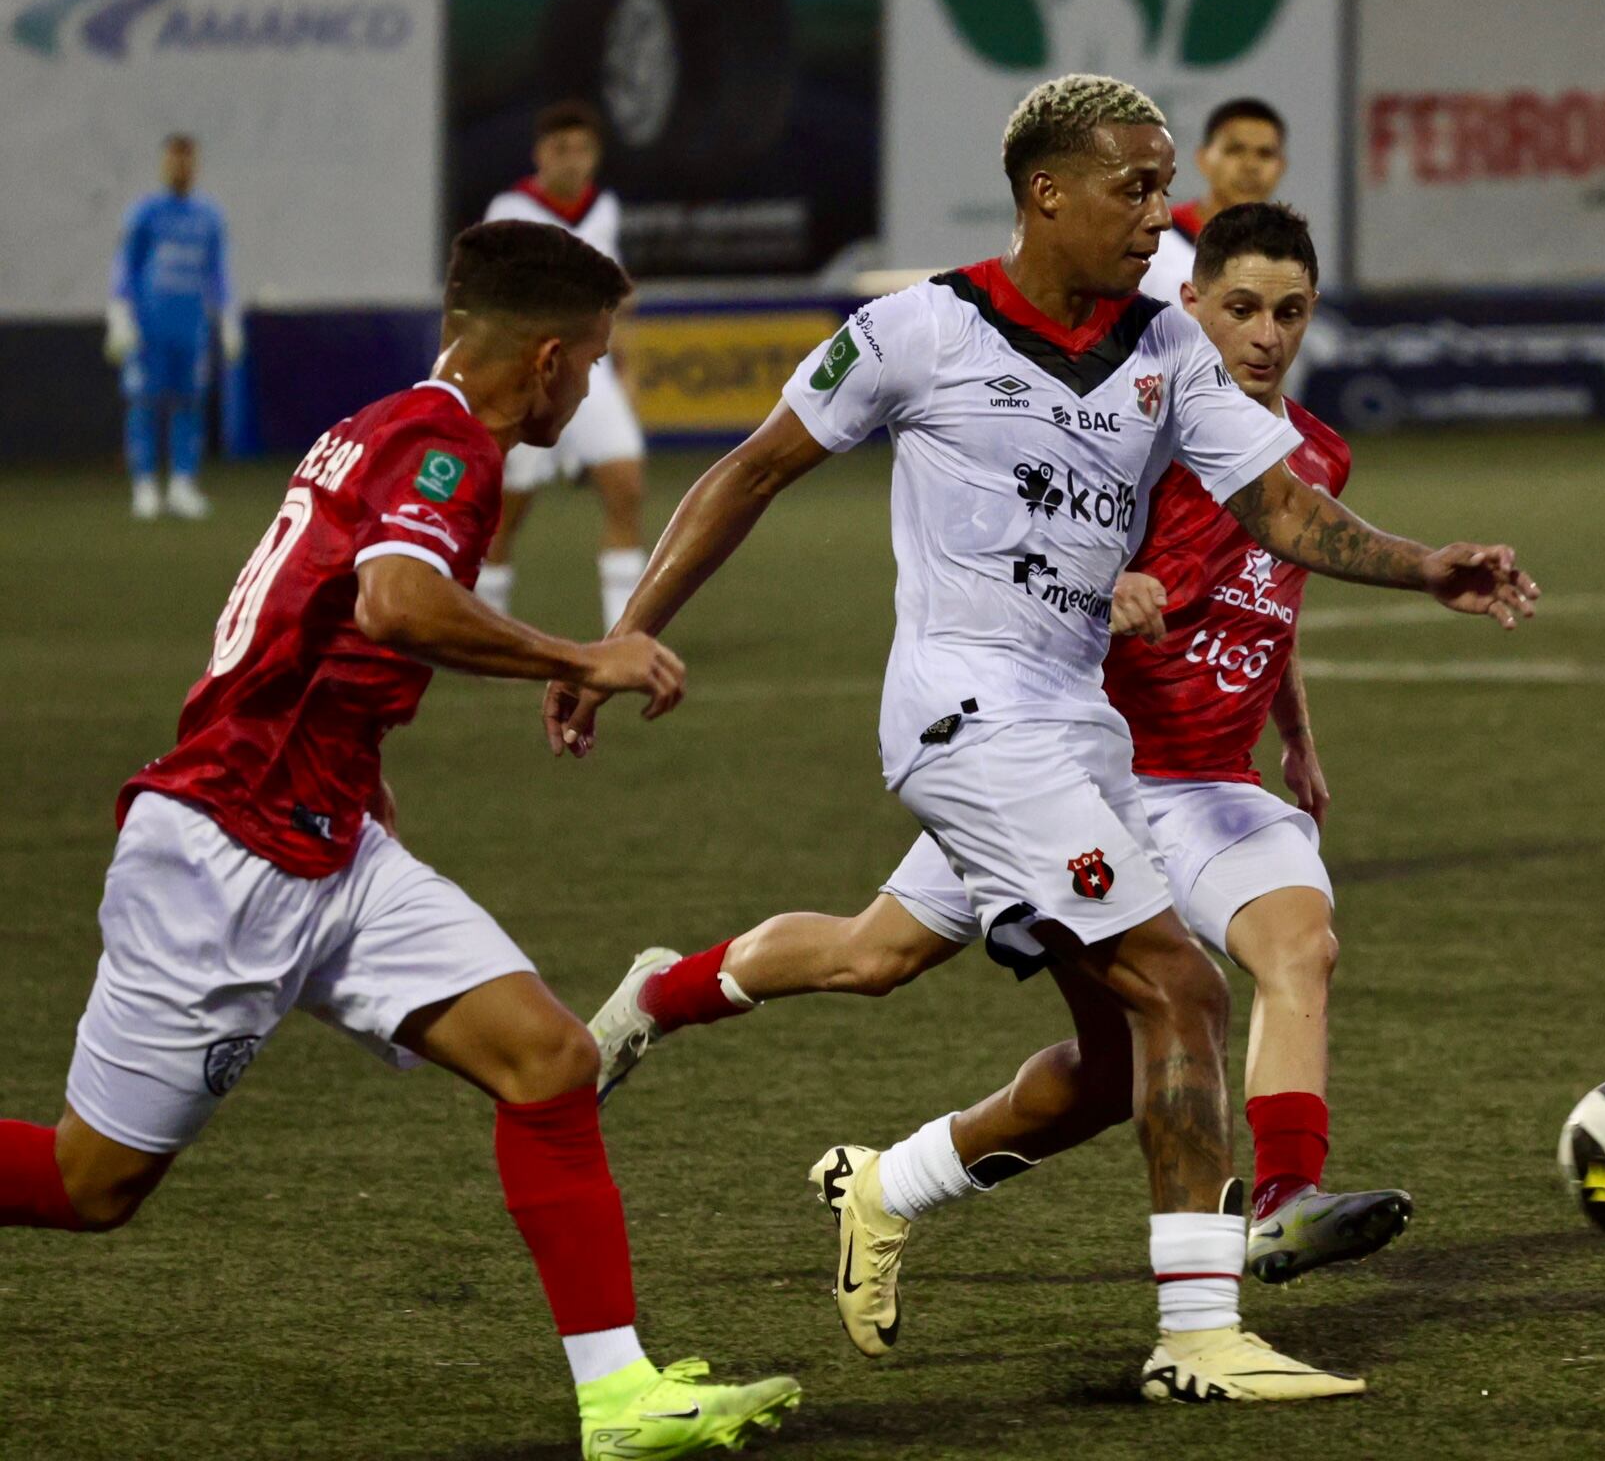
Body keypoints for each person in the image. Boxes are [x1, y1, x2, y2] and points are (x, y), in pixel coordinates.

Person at [545, 75, 1538, 1403]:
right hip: (965, 715)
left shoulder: (1166, 351)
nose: (1157, 211)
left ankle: (847, 1153)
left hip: (1080, 732)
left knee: (1068, 1033)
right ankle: (1196, 1336)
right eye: (1134, 185)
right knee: (1180, 985)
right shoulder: (915, 331)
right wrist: (628, 631)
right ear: (1045, 194)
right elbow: (749, 472)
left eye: (1161, 183)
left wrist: (1429, 570)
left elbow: (1279, 508)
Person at [1, 221, 800, 1461]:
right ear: (544, 361)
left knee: (548, 1057)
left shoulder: (382, 426)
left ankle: (621, 1398)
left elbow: (330, 632)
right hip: (227, 853)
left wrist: (370, 795)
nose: (589, 387)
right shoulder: (445, 447)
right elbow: (394, 601)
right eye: (590, 363)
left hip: (332, 835)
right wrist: (578, 651)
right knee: (91, 1184)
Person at [588, 200, 1412, 1295]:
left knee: (1292, 945)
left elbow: (1274, 597)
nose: (1266, 334)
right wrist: (1097, 583)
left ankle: (1281, 1200)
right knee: (871, 957)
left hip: (1205, 781)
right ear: (1192, 305)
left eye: (1291, 313)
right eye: (1244, 309)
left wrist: (1296, 734)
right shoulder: (1136, 417)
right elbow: (1036, 536)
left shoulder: (1313, 457)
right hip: (1056, 765)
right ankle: (670, 1000)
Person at [479, 101, 650, 629]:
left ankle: (623, 632)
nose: (571, 160)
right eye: (560, 149)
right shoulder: (510, 209)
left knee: (626, 484)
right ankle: (487, 626)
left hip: (587, 372)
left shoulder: (604, 207)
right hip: (526, 375)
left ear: (595, 156)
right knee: (508, 512)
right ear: (539, 155)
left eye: (581, 149)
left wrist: (625, 361)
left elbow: (615, 295)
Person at [107, 133, 237, 521]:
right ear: (164, 164)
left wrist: (228, 318)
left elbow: (217, 273)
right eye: (174, 160)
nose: (181, 168)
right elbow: (125, 266)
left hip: (191, 328)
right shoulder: (144, 214)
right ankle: (144, 486)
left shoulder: (208, 217)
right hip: (149, 328)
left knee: (189, 405)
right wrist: (119, 313)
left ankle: (182, 484)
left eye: (187, 161)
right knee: (144, 405)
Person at [1141, 98, 1288, 306]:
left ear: (1281, 166)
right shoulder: (1156, 240)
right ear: (1202, 159)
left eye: (1265, 154)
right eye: (1235, 150)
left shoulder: (1289, 249)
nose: (1251, 165)